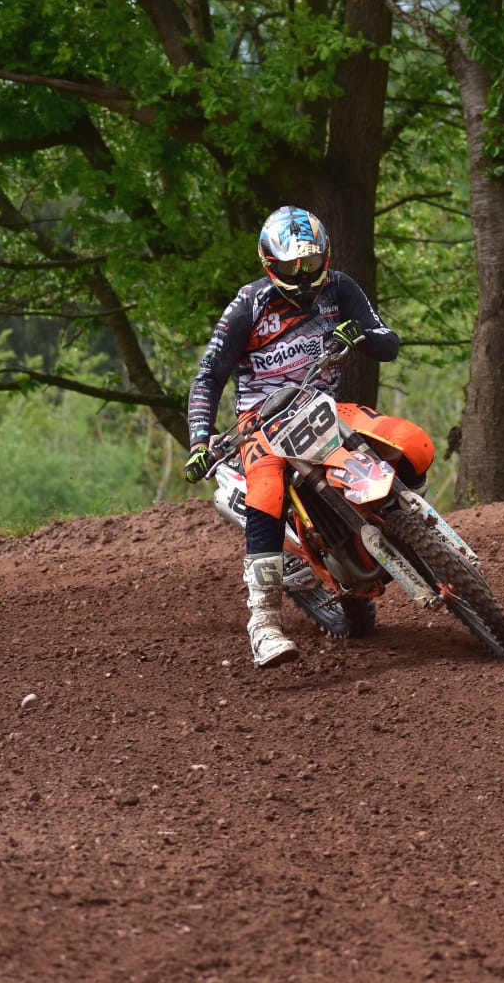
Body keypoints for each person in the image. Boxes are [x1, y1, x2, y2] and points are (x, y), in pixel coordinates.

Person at [184, 206, 435, 668]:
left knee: (414, 443)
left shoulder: (340, 288)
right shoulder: (248, 305)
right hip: (259, 423)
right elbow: (208, 376)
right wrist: (200, 440)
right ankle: (264, 623)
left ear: (326, 257)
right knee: (266, 491)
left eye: (310, 264)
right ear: (269, 264)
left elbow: (389, 344)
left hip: (323, 407)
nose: (301, 277)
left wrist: (360, 335)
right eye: (290, 267)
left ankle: (417, 527)